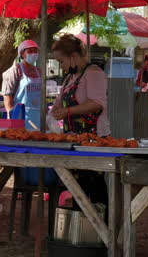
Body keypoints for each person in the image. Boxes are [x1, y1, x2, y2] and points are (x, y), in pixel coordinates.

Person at [51, 34, 109, 207]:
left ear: (73, 56)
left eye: (61, 61)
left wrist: (67, 111)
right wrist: (54, 111)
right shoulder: (70, 78)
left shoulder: (93, 73)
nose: (61, 66)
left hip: (94, 139)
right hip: (73, 141)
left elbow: (97, 104)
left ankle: (103, 229)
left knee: (94, 186)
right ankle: (80, 230)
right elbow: (58, 102)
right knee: (77, 188)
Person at [2, 40, 41, 129]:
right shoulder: (15, 70)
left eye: (35, 51)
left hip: (38, 116)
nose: (33, 53)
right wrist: (12, 118)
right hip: (20, 116)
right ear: (22, 54)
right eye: (30, 51)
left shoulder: (39, 71)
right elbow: (7, 96)